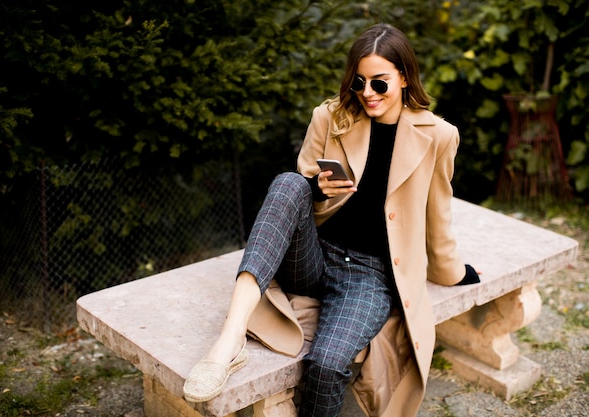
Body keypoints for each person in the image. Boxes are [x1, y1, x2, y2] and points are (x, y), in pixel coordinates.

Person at [183, 23, 480, 417]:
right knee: (289, 183)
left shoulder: (439, 136)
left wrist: (453, 272)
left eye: (379, 83)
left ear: (404, 77)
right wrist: (320, 189)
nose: (367, 94)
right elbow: (301, 193)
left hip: (369, 277)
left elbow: (437, 215)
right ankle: (229, 338)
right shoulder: (330, 117)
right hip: (314, 256)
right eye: (359, 83)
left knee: (325, 365)